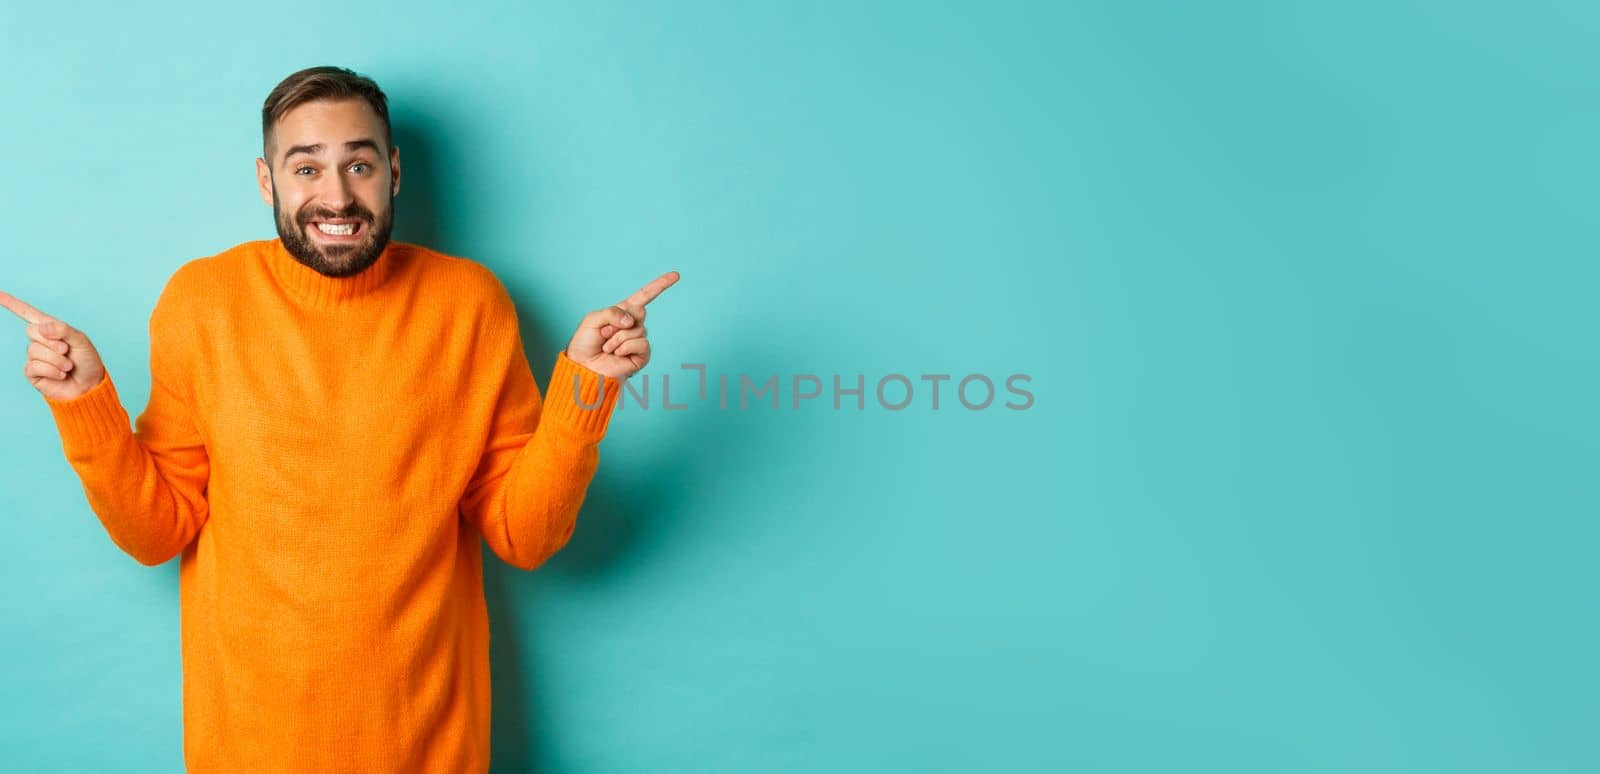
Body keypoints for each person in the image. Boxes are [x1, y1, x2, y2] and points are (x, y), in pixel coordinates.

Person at [1, 65, 678, 772]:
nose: (336, 196)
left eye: (358, 164)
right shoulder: (201, 302)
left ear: (392, 172)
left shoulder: (469, 304)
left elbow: (524, 535)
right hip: (247, 748)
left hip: (429, 747)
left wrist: (586, 391)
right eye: (306, 167)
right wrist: (84, 403)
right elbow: (155, 531)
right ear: (267, 182)